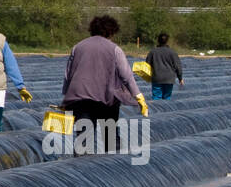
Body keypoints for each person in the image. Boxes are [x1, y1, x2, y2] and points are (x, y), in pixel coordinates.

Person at [62, 15, 148, 152]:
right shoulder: (114, 49)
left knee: (84, 138)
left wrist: (66, 98)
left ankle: (82, 167)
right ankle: (114, 166)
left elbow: (68, 74)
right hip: (106, 99)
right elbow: (126, 75)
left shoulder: (77, 47)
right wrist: (138, 96)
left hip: (80, 98)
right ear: (110, 32)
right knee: (110, 136)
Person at [145, 33, 183, 100]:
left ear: (158, 40)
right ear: (167, 41)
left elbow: (146, 64)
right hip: (169, 79)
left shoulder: (152, 52)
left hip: (157, 78)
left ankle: (157, 110)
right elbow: (178, 66)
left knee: (156, 98)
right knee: (167, 98)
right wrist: (180, 78)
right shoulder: (172, 52)